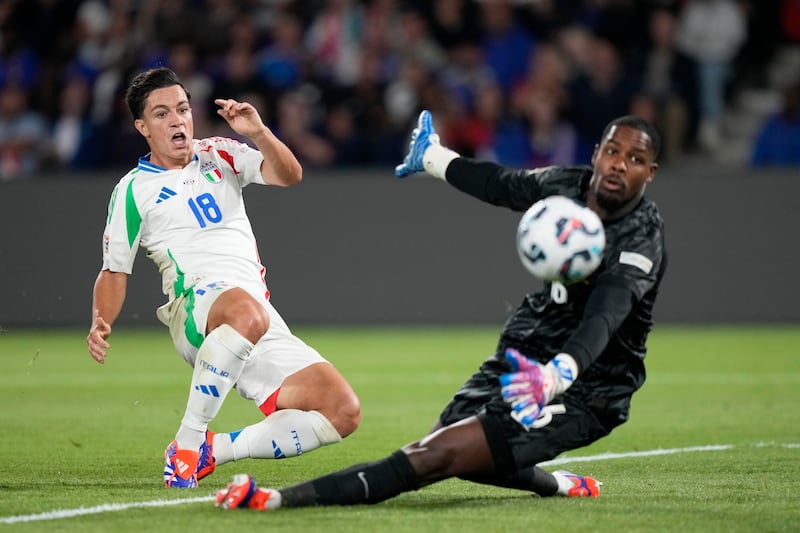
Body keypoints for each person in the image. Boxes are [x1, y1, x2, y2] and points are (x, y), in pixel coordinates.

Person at [212, 109, 667, 510]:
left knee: (433, 455)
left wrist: (558, 376)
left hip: (591, 385)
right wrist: (433, 158)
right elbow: (502, 185)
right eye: (613, 151)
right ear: (597, 153)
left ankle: (277, 500)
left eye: (634, 160)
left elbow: (605, 317)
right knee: (454, 447)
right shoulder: (569, 186)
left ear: (649, 173)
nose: (618, 165)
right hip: (529, 349)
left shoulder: (640, 240)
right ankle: (560, 485)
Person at [85, 67, 361, 489]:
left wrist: (260, 132)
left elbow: (290, 175)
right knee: (247, 311)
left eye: (182, 109)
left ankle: (216, 450)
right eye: (162, 114)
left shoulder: (220, 152)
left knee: (342, 411)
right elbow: (114, 270)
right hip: (195, 308)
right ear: (142, 126)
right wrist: (101, 321)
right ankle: (188, 442)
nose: (177, 120)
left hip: (255, 316)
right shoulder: (132, 189)